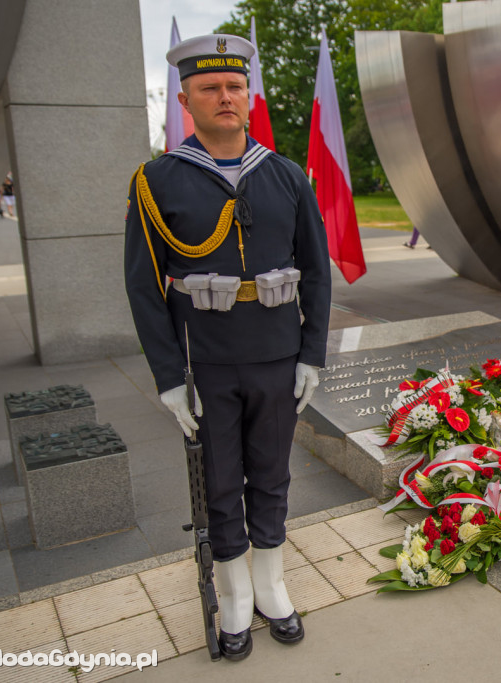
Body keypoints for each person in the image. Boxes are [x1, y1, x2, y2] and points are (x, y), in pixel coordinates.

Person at [124, 33, 331, 661]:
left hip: (277, 357)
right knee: (221, 482)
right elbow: (143, 288)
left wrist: (312, 355)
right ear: (185, 99)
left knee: (271, 476)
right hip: (208, 363)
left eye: (235, 86)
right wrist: (167, 377)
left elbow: (317, 273)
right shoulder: (157, 182)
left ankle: (272, 586)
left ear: (249, 95)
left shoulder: (287, 176)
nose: (225, 96)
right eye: (209, 88)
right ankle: (234, 593)